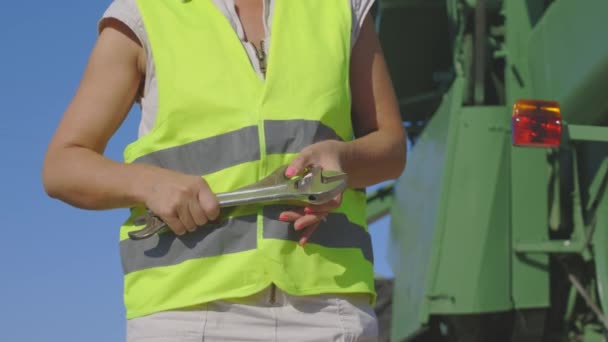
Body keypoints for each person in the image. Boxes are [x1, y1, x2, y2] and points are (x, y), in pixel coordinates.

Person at [42, 0, 406, 340]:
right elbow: (63, 164)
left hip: (328, 309)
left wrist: (342, 159)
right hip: (185, 313)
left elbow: (391, 147)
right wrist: (148, 183)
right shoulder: (143, 13)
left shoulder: (341, 7)